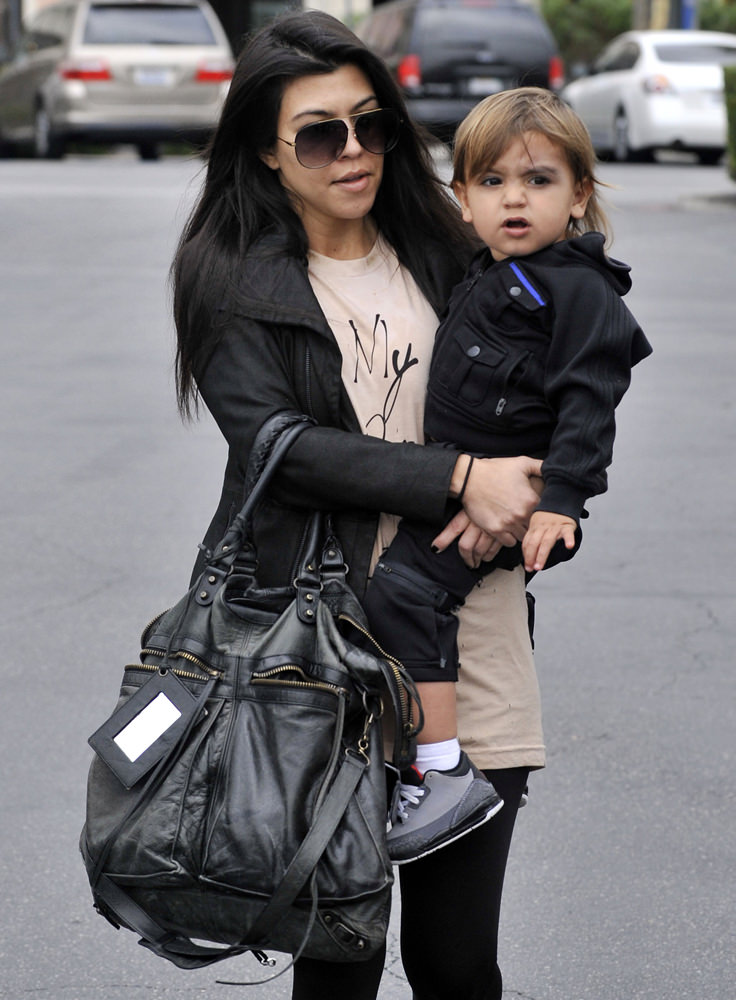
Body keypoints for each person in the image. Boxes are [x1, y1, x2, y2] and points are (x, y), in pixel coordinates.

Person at [172, 11, 546, 1000]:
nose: (353, 151)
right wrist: (459, 476)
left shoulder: (445, 249)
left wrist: (549, 496)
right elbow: (280, 448)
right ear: (265, 149)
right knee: (337, 960)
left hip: (468, 644)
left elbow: (537, 395)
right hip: (319, 654)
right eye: (319, 134)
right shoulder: (230, 283)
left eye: (370, 125)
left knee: (456, 960)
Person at [364, 87, 653, 865]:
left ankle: (442, 766)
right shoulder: (486, 269)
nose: (514, 199)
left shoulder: (579, 288)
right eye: (491, 183)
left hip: (516, 507)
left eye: (539, 180)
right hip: (462, 490)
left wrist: (559, 500)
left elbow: (592, 398)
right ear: (461, 200)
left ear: (580, 194)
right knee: (399, 599)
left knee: (403, 593)